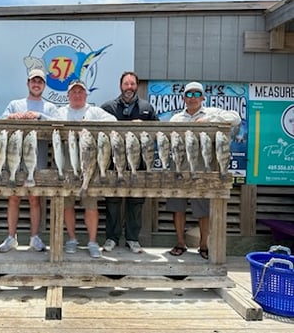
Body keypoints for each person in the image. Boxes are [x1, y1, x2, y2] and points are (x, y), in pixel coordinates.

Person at [166, 81, 241, 259]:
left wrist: (209, 121)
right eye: (189, 94)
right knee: (178, 208)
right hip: (179, 170)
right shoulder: (176, 119)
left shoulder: (213, 113)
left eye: (196, 94)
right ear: (183, 98)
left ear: (202, 97)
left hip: (203, 171)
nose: (192, 98)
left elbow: (236, 118)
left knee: (204, 210)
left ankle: (203, 245)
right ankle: (180, 243)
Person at [0, 68, 60, 253]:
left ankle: (34, 237)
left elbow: (58, 123)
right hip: (15, 159)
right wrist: (12, 117)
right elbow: (0, 120)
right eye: (33, 81)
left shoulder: (48, 107)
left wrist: (38, 116)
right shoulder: (15, 104)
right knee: (14, 197)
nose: (36, 84)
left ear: (44, 85)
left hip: (38, 158)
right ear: (28, 83)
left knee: (35, 199)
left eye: (40, 81)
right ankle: (11, 237)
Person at [56, 79, 117, 258]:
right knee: (67, 204)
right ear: (68, 95)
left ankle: (92, 241)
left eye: (80, 92)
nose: (77, 95)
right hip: (67, 163)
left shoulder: (95, 111)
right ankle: (72, 239)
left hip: (91, 164)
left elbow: (113, 122)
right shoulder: (61, 112)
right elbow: (52, 125)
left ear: (86, 94)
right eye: (73, 92)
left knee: (91, 205)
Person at [100, 71, 159, 253]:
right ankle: (112, 237)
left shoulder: (146, 108)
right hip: (112, 164)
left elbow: (158, 131)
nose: (129, 88)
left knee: (136, 203)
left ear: (137, 86)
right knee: (113, 202)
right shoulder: (108, 107)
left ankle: (133, 238)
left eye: (132, 84)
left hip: (139, 164)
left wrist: (144, 126)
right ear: (120, 86)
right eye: (126, 84)